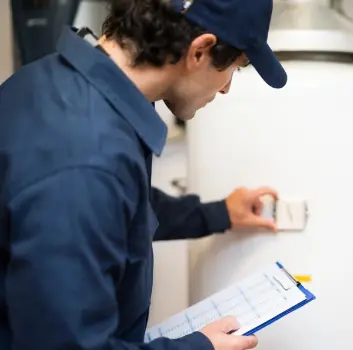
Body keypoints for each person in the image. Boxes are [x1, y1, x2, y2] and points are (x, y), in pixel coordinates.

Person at [0, 0, 288, 349]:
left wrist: (217, 214)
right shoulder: (86, 158)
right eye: (236, 67)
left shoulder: (50, 83)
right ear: (200, 51)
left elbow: (117, 208)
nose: (226, 87)